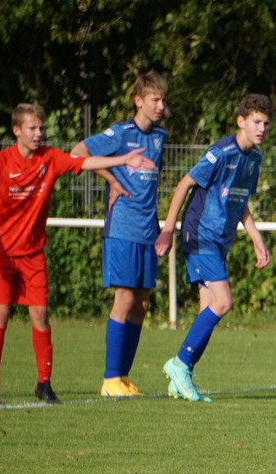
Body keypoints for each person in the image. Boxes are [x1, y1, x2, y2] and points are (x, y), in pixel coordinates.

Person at [0, 103, 158, 406]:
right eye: (32, 128)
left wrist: (124, 159)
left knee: (40, 315)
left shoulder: (50, 158)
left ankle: (44, 384)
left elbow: (85, 161)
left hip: (32, 254)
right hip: (2, 253)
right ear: (16, 131)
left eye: (41, 128)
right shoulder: (1, 161)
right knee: (1, 313)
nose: (39, 133)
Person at [160, 94, 273, 402]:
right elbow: (184, 184)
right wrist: (168, 229)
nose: (262, 128)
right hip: (200, 235)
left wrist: (256, 238)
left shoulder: (255, 159)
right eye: (256, 122)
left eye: (266, 123)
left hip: (220, 240)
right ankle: (179, 364)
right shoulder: (220, 152)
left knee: (207, 310)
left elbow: (240, 201)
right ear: (241, 121)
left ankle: (181, 377)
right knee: (223, 302)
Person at [71, 71, 170, 397]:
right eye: (155, 99)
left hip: (147, 230)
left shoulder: (160, 136)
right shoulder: (120, 133)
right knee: (124, 298)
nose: (161, 106)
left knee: (141, 303)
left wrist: (160, 228)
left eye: (163, 100)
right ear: (138, 101)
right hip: (123, 227)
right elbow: (77, 152)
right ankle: (110, 379)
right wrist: (112, 180)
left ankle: (124, 378)